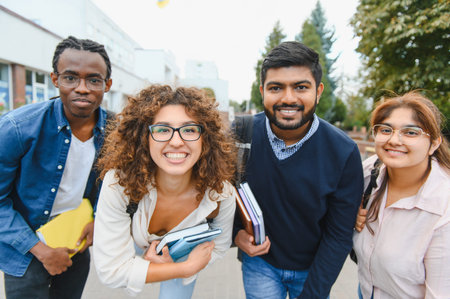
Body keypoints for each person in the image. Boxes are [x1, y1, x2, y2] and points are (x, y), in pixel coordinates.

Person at [232, 41, 364, 299]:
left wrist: (314, 292)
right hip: (260, 264)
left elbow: (339, 234)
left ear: (319, 91)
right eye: (276, 88)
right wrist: (236, 233)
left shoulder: (344, 152)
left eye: (301, 87)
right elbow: (220, 194)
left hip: (314, 268)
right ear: (262, 91)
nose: (288, 98)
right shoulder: (239, 134)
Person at [92, 84, 237, 297]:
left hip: (182, 255)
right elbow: (111, 271)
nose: (176, 141)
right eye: (162, 130)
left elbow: (218, 247)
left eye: (189, 130)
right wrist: (185, 268)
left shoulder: (220, 193)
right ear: (144, 136)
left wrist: (180, 265)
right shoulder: (119, 182)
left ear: (205, 139)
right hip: (132, 243)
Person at [0, 36, 113, 298]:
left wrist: (99, 220)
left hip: (76, 243)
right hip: (25, 249)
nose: (82, 88)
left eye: (94, 80)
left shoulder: (116, 133)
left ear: (107, 85)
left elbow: (120, 187)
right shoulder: (17, 128)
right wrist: (42, 251)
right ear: (55, 79)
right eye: (71, 78)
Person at [353, 91, 450, 298]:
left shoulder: (443, 207)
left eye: (411, 132)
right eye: (386, 129)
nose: (394, 140)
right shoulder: (369, 172)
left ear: (434, 143)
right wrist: (349, 215)